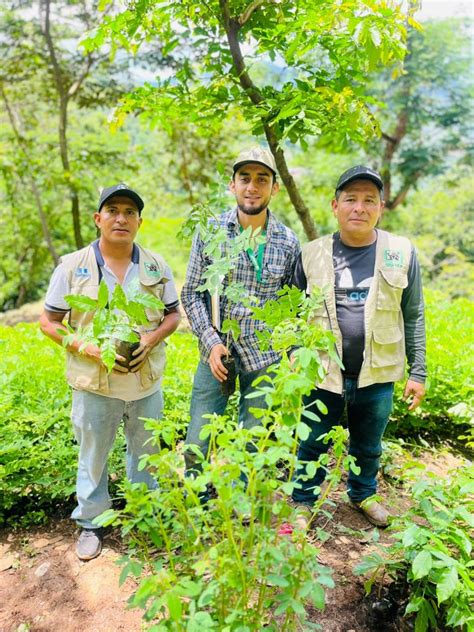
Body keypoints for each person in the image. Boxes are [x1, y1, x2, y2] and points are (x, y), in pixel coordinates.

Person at [39, 183, 180, 560]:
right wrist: (88, 348)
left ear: (140, 221)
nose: (121, 218)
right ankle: (91, 522)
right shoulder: (72, 266)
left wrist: (150, 339)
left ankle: (143, 517)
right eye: (113, 210)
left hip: (145, 383)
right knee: (94, 454)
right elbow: (49, 322)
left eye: (130, 212)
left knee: (145, 453)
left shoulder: (155, 265)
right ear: (97, 218)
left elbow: (173, 315)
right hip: (95, 384)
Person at [291, 165, 426, 528]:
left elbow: (413, 314)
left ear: (380, 208)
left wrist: (419, 370)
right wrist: (292, 357)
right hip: (321, 372)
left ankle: (363, 493)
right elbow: (290, 313)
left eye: (369, 200)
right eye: (351, 199)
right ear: (335, 206)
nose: (359, 208)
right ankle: (304, 501)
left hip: (378, 373)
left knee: (368, 444)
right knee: (312, 442)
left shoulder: (401, 251)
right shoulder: (310, 254)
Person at [181, 147, 300, 493]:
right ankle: (198, 501)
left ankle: (241, 500)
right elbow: (191, 293)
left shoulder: (288, 242)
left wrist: (290, 350)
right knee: (198, 439)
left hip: (264, 356)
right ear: (232, 185)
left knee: (253, 438)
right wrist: (211, 341)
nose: (252, 186)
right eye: (244, 178)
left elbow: (290, 305)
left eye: (262, 179)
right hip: (217, 349)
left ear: (274, 188)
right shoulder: (211, 231)